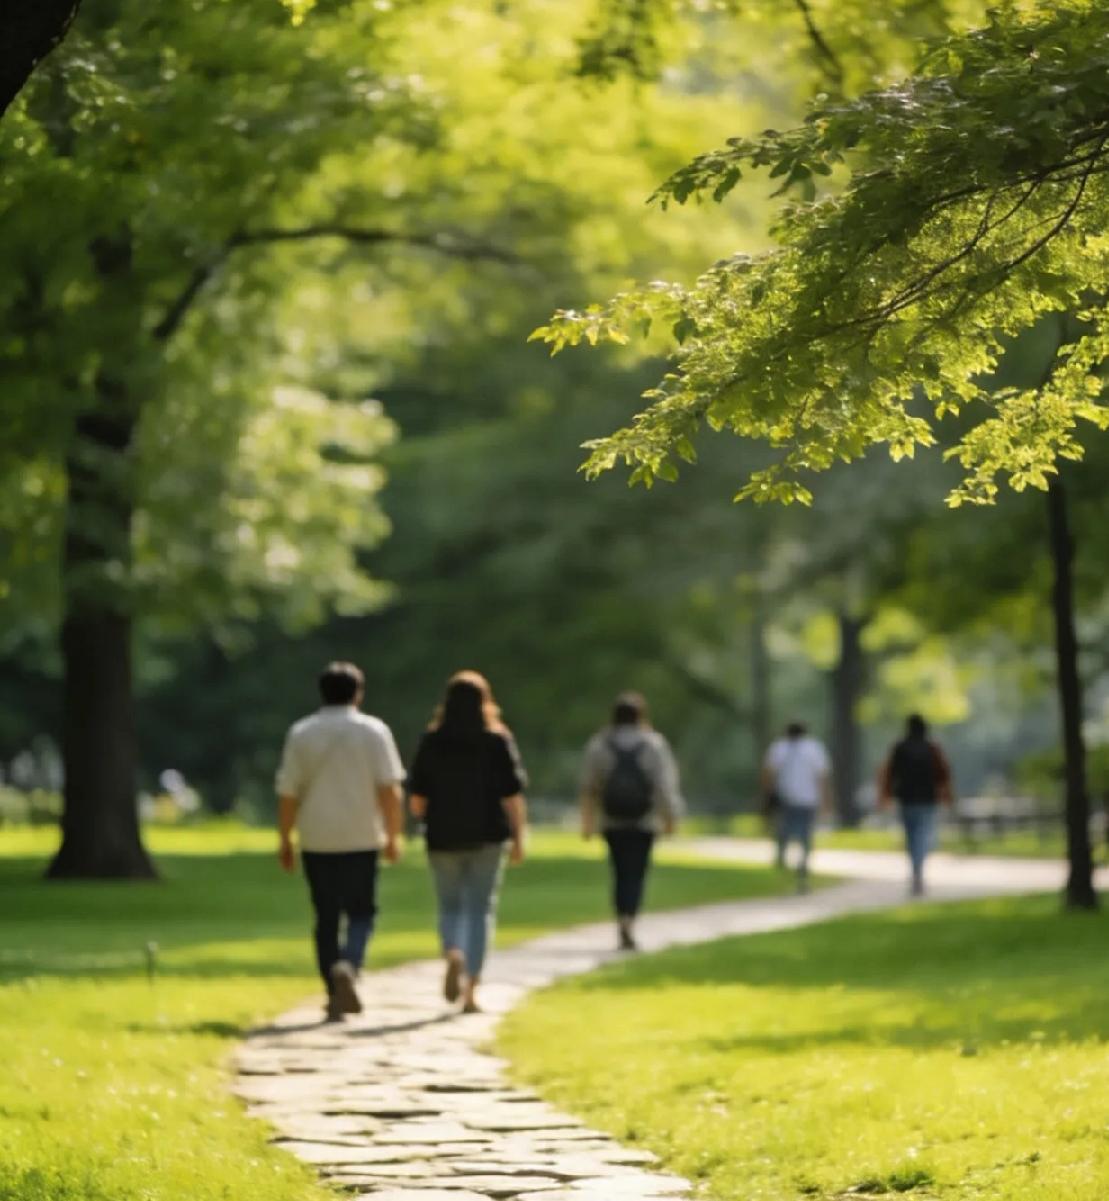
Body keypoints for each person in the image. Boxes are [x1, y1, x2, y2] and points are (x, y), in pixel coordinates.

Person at [276, 661, 404, 1022]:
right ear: (358, 692)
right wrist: (393, 835)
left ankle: (333, 991)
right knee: (362, 911)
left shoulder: (302, 733)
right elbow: (389, 790)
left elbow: (288, 793)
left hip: (317, 837)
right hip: (362, 835)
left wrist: (285, 839)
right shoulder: (374, 731)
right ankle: (350, 962)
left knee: (326, 916)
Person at [408, 670, 528, 1014]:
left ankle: (453, 952)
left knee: (449, 905)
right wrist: (519, 836)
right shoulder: (497, 741)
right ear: (485, 702)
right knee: (480, 909)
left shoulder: (431, 742)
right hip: (489, 835)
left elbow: (417, 800)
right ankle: (471, 989)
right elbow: (512, 796)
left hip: (443, 836)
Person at [580, 691, 683, 951]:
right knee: (637, 873)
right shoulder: (653, 744)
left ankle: (620, 920)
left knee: (619, 872)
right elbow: (664, 786)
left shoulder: (599, 744)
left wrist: (587, 822)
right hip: (644, 822)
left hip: (612, 821)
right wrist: (670, 818)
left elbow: (589, 787)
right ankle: (630, 921)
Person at [878, 713, 953, 896]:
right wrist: (947, 795)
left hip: (907, 799)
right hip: (927, 799)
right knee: (923, 835)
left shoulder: (900, 747)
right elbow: (943, 774)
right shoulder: (932, 748)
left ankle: (915, 870)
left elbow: (889, 773)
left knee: (912, 836)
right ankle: (918, 871)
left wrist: (885, 795)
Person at [761, 721, 831, 893]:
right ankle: (802, 868)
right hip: (808, 799)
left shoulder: (779, 748)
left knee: (784, 830)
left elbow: (768, 773)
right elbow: (821, 777)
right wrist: (825, 800)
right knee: (805, 835)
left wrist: (767, 795)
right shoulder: (814, 748)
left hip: (787, 798)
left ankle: (783, 857)